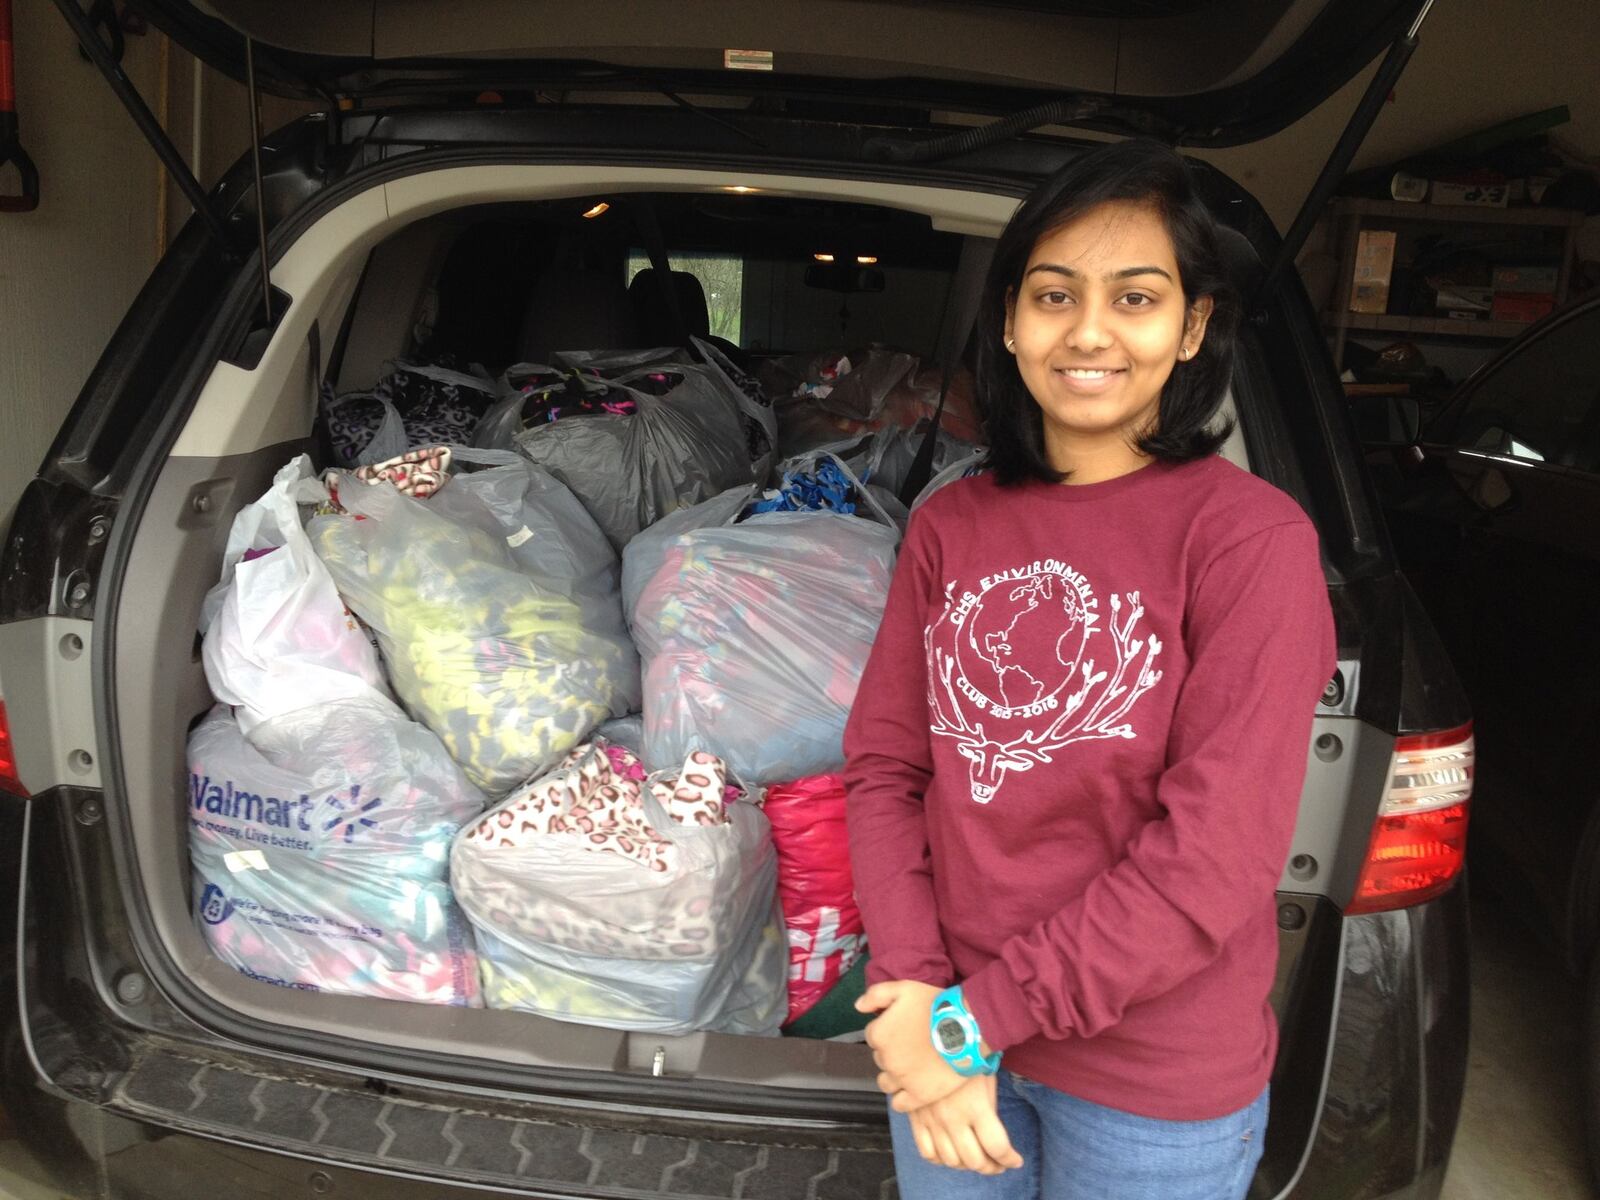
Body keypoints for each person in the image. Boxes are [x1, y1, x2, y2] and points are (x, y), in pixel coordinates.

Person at [842, 138, 1337, 1200]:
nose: (1091, 331)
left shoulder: (1249, 540)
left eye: (1137, 296)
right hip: (953, 1041)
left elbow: (1212, 859)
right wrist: (920, 993)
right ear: (1011, 320)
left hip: (1146, 1083)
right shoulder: (950, 525)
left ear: (1192, 324)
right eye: (1055, 294)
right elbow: (888, 771)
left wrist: (971, 1027)